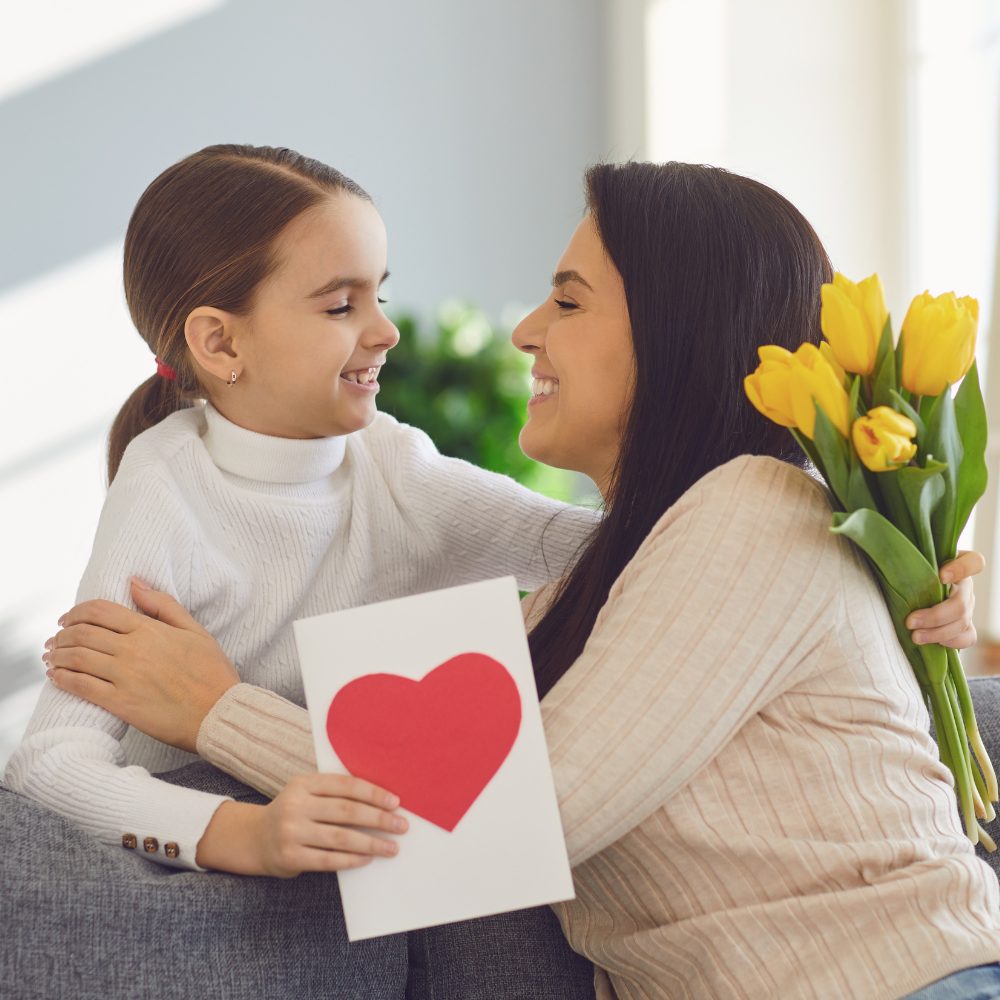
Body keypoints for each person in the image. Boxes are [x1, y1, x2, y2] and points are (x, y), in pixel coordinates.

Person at [42, 160, 999, 1000]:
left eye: (570, 301)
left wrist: (218, 710)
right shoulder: (647, 570)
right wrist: (894, 570)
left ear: (677, 333)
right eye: (341, 303)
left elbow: (531, 815)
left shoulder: (756, 507)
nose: (526, 332)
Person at [2, 143, 598, 998]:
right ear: (219, 341)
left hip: (393, 843)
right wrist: (244, 835)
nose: (386, 330)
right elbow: (50, 764)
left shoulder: (397, 467)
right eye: (340, 305)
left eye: (380, 294)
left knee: (499, 886)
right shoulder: (163, 489)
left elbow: (592, 547)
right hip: (231, 859)